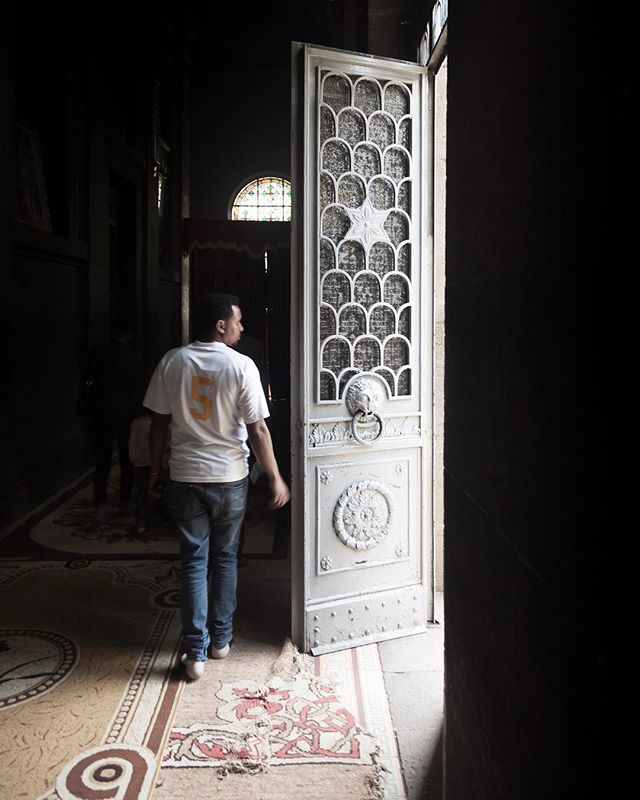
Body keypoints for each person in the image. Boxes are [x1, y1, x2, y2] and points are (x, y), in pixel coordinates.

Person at [143, 293, 290, 682]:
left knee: (193, 560)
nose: (242, 329)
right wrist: (274, 476)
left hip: (185, 476)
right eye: (238, 322)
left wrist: (153, 470)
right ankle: (221, 641)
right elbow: (258, 428)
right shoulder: (242, 366)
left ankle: (195, 652)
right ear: (220, 324)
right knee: (224, 558)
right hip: (229, 478)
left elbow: (158, 424)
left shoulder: (173, 361)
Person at [83, 325, 144, 529]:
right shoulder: (133, 359)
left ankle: (99, 505)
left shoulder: (97, 355)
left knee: (102, 461)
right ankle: (125, 503)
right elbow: (137, 388)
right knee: (128, 460)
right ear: (129, 335)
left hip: (100, 412)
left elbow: (87, 382)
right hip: (126, 414)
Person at [128, 407, 169, 536]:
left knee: (142, 494)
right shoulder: (164, 425)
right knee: (161, 493)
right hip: (159, 464)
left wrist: (134, 460)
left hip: (140, 464)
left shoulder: (136, 423)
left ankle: (142, 523)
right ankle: (163, 520)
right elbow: (168, 444)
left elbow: (132, 445)